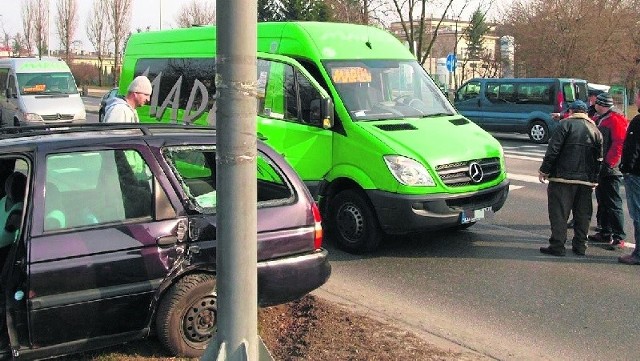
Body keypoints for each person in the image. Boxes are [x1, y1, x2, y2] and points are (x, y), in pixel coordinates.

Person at [539, 100, 603, 256]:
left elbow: (553, 150)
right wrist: (594, 179)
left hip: (562, 178)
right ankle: (580, 246)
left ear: (572, 111)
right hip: (585, 180)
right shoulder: (595, 130)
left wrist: (544, 170)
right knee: (583, 214)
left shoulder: (564, 125)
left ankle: (557, 246)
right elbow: (599, 159)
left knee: (559, 213)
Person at [587, 92, 628, 249]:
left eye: (596, 103)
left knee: (613, 202)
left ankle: (618, 236)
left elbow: (619, 144)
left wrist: (609, 163)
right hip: (602, 166)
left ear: (602, 105)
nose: (594, 105)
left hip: (610, 168)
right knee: (603, 201)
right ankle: (605, 231)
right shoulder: (602, 118)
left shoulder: (615, 120)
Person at [618, 91, 640, 264]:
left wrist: (626, 168)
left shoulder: (638, 122)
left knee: (638, 214)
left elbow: (632, 149)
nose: (636, 100)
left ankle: (638, 253)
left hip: (636, 175)